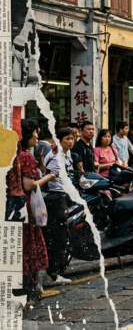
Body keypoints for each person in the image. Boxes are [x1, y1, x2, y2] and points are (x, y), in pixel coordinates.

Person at [6, 119, 56, 300]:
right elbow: (29, 185)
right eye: (35, 132)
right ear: (27, 135)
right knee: (29, 245)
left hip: (17, 206)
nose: (38, 136)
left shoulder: (17, 155)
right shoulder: (25, 157)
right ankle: (30, 287)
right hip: (26, 205)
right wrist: (49, 177)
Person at [42, 127, 76, 284]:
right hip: (56, 199)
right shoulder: (57, 157)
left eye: (72, 138)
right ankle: (54, 273)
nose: (70, 141)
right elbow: (51, 177)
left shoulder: (64, 154)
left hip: (60, 196)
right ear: (59, 140)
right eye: (67, 139)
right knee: (58, 236)